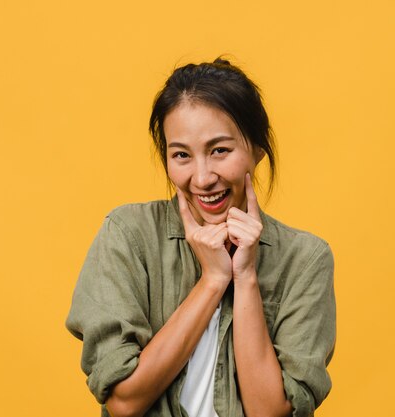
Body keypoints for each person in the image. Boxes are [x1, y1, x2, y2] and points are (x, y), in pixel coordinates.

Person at [66, 58, 336, 417]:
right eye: (181, 155)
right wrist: (213, 280)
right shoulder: (128, 235)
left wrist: (246, 275)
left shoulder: (305, 259)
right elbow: (124, 401)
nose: (203, 177)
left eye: (219, 150)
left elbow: (269, 413)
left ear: (256, 150)